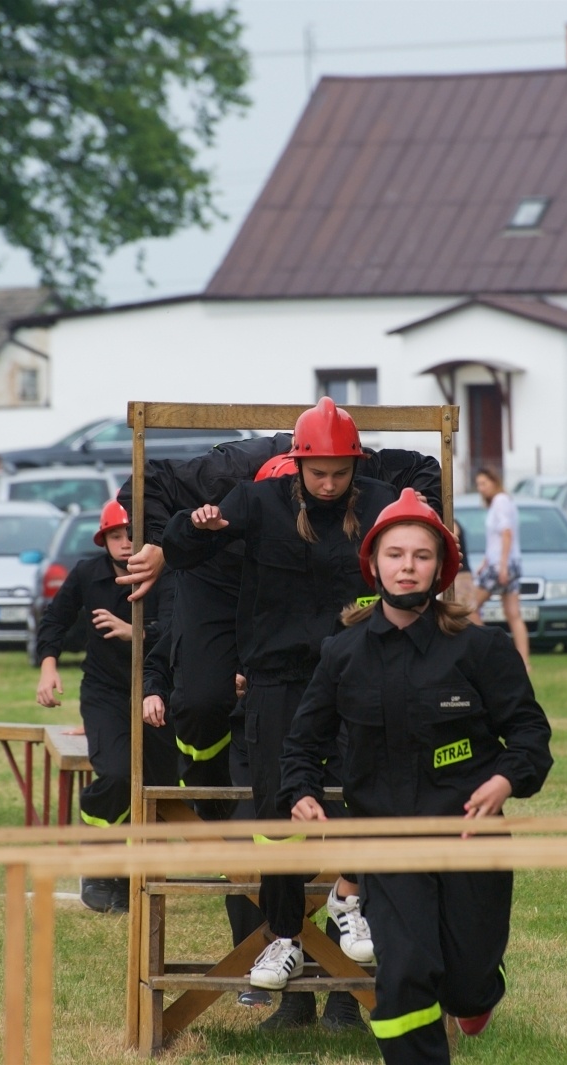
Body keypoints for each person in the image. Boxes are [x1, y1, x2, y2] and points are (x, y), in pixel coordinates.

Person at [279, 488, 553, 1065]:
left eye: (422, 555)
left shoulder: (482, 650)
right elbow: (303, 743)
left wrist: (505, 780)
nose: (408, 567)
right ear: (374, 564)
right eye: (396, 554)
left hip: (470, 842)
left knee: (465, 985)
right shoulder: (343, 653)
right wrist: (302, 791)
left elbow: (530, 739)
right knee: (404, 973)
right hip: (387, 843)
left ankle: (478, 990)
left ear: (442, 567)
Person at [160, 397, 398, 1032]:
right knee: (276, 806)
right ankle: (286, 934)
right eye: (316, 472)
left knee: (364, 788)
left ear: (355, 465)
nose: (327, 484)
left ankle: (353, 895)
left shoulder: (378, 503)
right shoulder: (257, 501)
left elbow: (420, 546)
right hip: (275, 678)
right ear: (296, 465)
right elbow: (179, 550)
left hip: (353, 673)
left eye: (338, 473)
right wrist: (197, 524)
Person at [34, 498, 176, 912]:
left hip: (159, 691)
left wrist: (135, 632)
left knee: (158, 781)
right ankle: (97, 867)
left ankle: (132, 874)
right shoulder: (87, 573)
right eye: (116, 535)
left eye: (133, 534)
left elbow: (176, 629)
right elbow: (54, 620)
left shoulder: (169, 575)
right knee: (115, 774)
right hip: (106, 694)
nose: (126, 543)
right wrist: (48, 668)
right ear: (104, 540)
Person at [467, 467, 530, 668]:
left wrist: (501, 565)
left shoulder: (500, 502)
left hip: (501, 565)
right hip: (508, 563)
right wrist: (485, 562)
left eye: (484, 483)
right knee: (514, 614)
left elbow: (506, 533)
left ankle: (492, 652)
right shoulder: (504, 501)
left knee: (469, 607)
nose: (481, 488)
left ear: (494, 482)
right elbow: (495, 539)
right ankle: (524, 664)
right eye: (478, 485)